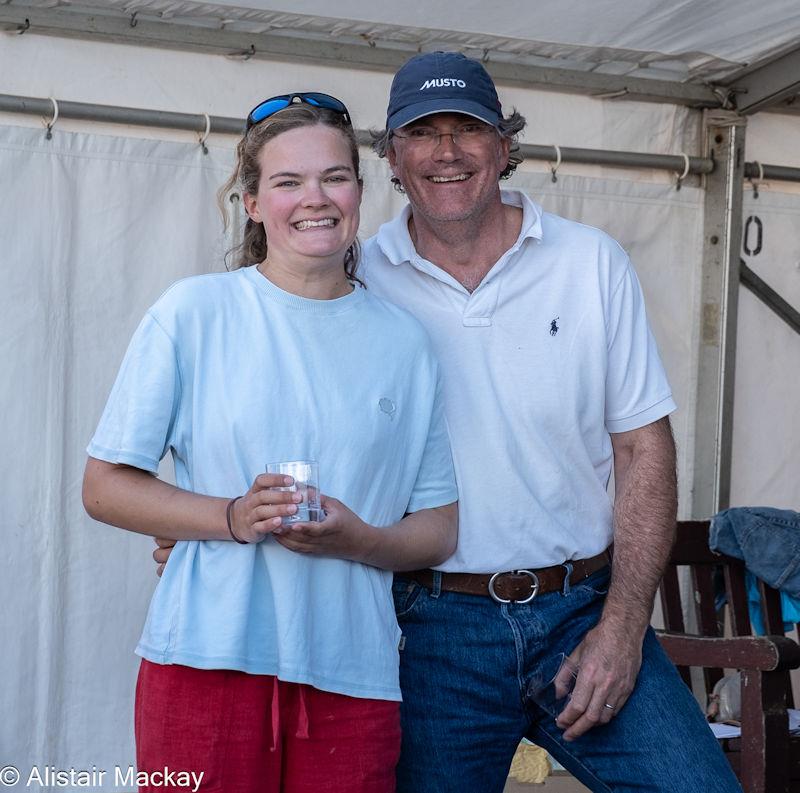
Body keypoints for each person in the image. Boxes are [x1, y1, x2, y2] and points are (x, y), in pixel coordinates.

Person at [155, 57, 743, 793]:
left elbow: (643, 447)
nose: (447, 151)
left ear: (504, 144)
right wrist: (214, 517)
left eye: (468, 128)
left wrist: (624, 628)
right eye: (421, 133)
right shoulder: (358, 276)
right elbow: (300, 416)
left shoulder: (591, 263)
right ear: (391, 159)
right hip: (429, 625)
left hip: (582, 611)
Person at [83, 92, 458, 793]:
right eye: (287, 181)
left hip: (354, 675)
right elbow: (105, 485)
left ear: (358, 190)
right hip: (204, 661)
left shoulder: (406, 343)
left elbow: (438, 528)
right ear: (252, 202)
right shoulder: (194, 313)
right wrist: (229, 517)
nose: (314, 198)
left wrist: (360, 539)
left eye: (334, 177)